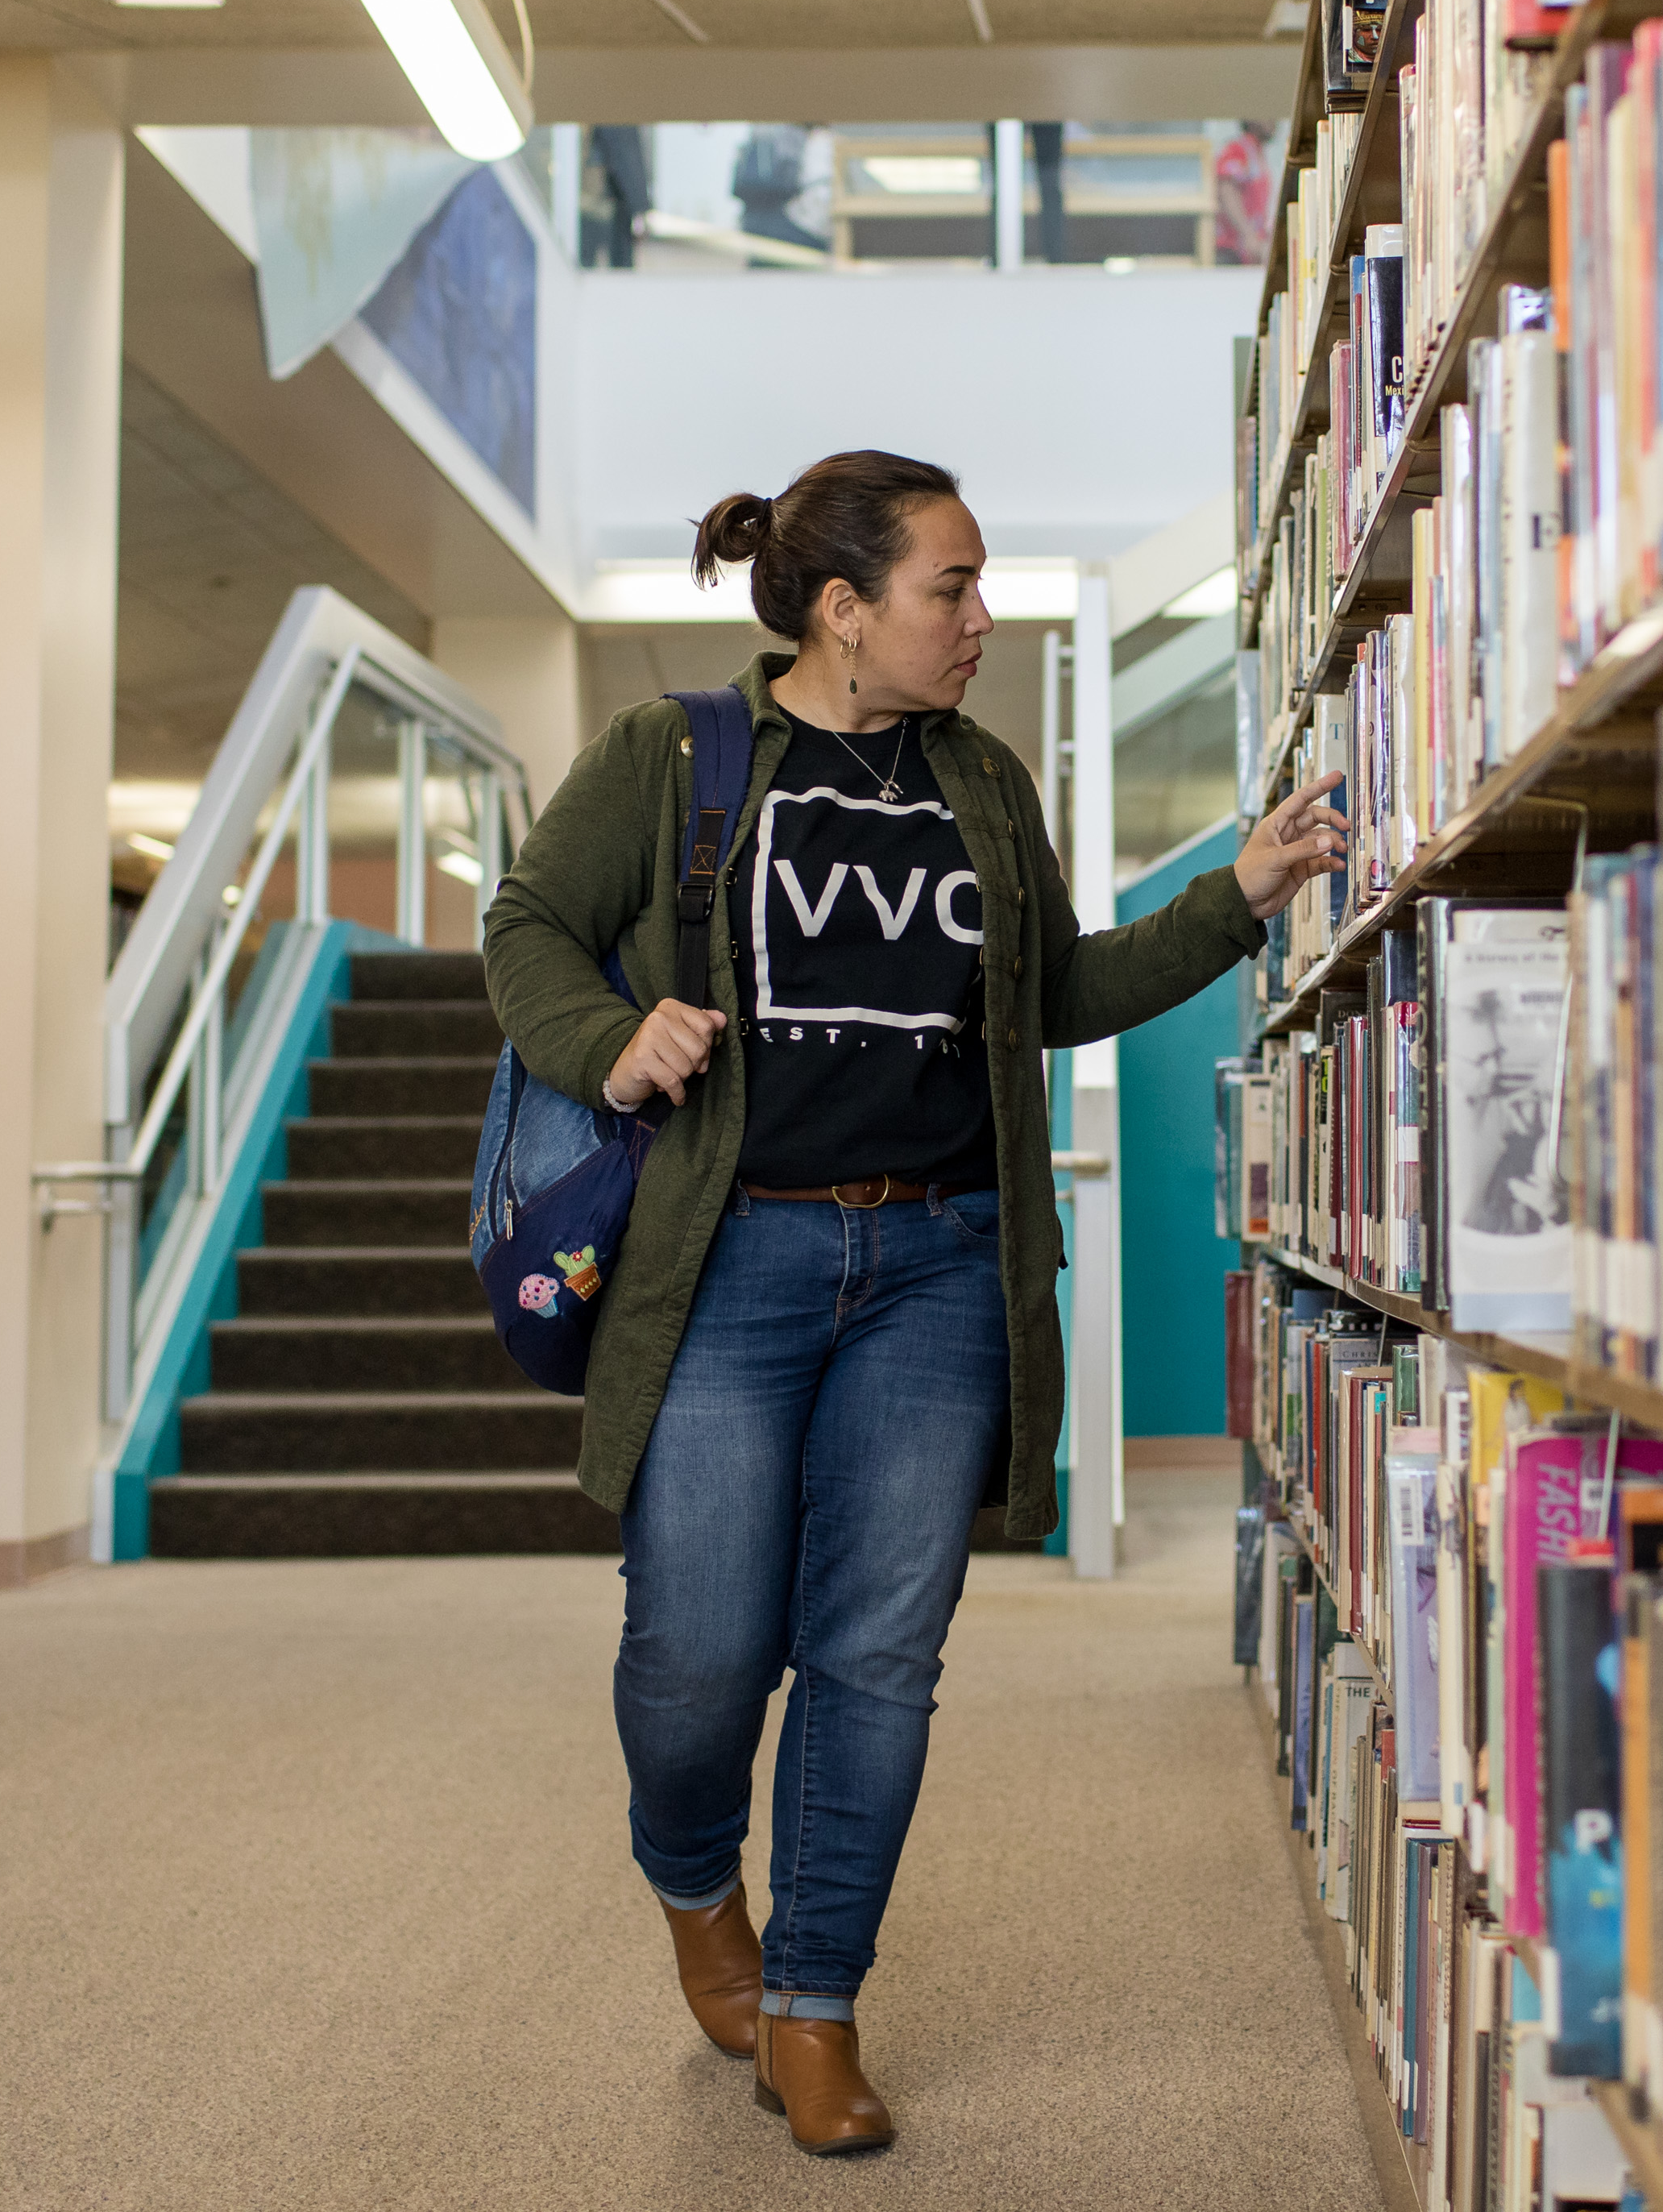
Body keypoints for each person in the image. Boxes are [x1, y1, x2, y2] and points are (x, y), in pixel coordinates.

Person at [479, 450, 1349, 2156]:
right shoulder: (675, 757)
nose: (981, 616)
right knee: (701, 1646)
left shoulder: (980, 777)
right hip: (732, 1259)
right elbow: (528, 929)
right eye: (950, 586)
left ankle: (815, 1998)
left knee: (877, 1651)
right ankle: (686, 1875)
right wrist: (611, 1038)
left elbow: (1057, 991)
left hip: (939, 1263)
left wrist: (1232, 902)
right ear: (840, 607)